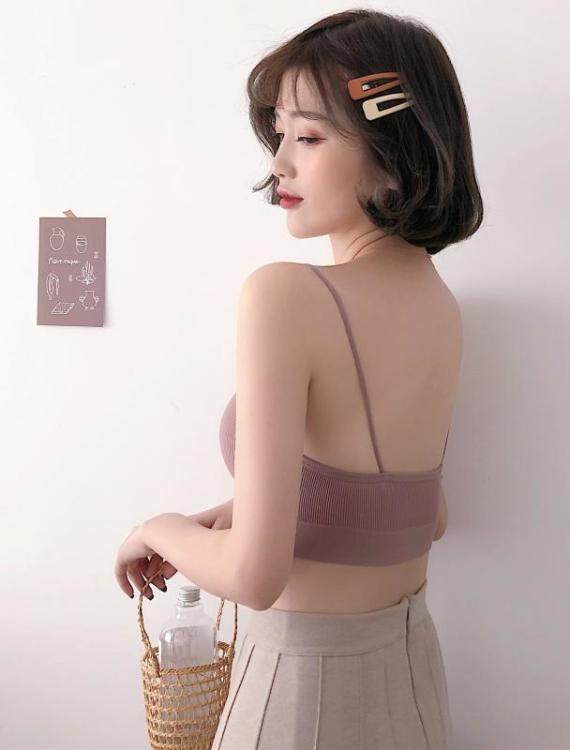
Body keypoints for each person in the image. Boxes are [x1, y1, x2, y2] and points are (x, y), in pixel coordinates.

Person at [118, 9, 482, 749]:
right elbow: (416, 513)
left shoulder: (286, 295)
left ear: (394, 154)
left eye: (309, 138)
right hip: (413, 682)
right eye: (279, 134)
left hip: (300, 692)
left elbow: (254, 577)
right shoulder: (438, 303)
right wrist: (238, 509)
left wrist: (158, 528)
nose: (279, 163)